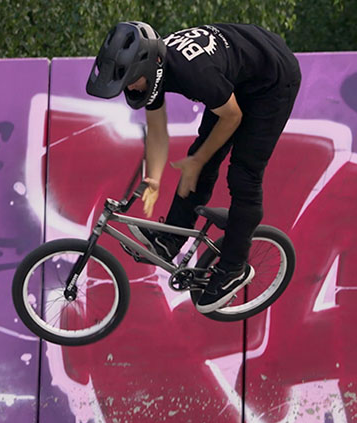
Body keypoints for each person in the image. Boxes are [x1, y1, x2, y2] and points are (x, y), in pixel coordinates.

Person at [86, 21, 301, 313]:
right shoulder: (155, 67)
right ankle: (172, 238)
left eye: (130, 82)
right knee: (199, 156)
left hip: (273, 80)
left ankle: (234, 267)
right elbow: (158, 132)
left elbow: (233, 117)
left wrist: (197, 161)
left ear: (148, 69)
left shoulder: (194, 73)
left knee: (243, 173)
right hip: (235, 76)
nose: (129, 89)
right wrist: (155, 178)